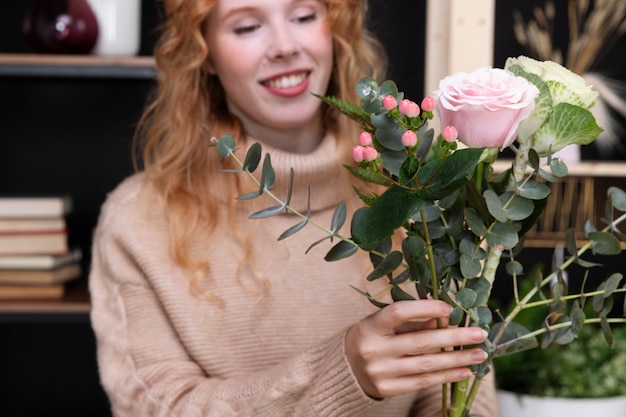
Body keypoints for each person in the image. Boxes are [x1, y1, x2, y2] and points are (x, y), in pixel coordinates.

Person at [89, 0, 499, 416]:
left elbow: (461, 379)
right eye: (247, 26)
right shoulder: (138, 220)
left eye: (303, 16)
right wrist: (342, 374)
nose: (284, 46)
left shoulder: (417, 192)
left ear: (336, 27)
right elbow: (157, 406)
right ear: (204, 51)